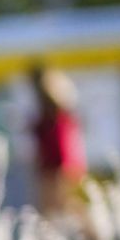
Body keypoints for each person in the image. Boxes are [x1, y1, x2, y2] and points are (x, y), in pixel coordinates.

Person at [29, 62, 87, 217]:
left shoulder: (55, 108)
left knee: (65, 202)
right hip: (56, 162)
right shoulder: (54, 109)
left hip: (60, 163)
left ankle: (93, 236)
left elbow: (57, 135)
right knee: (53, 205)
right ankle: (48, 238)